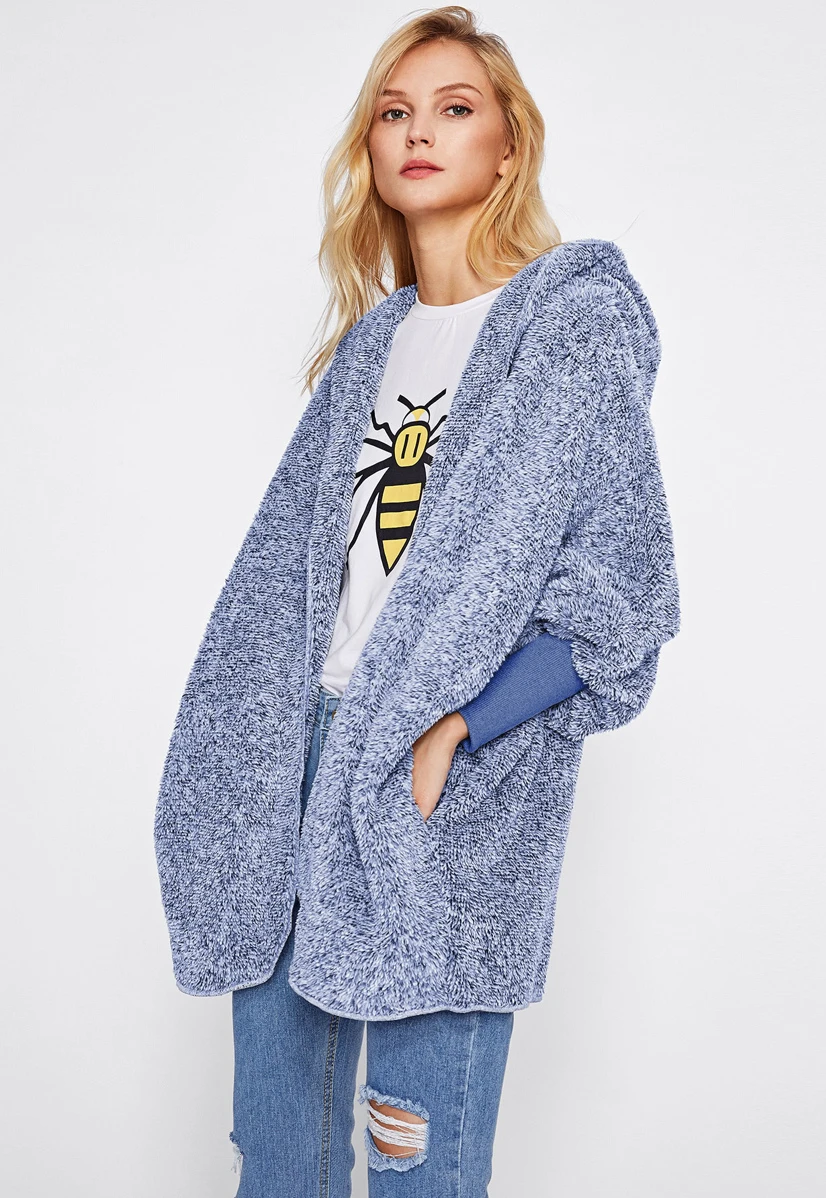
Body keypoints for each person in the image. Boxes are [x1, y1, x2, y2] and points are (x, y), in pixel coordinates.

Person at [154, 7, 681, 1196]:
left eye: (455, 108)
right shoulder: (372, 345)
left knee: (417, 1161)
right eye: (394, 112)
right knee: (276, 1154)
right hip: (296, 770)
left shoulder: (569, 329)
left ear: (508, 148)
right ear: (372, 150)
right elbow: (287, 587)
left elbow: (622, 593)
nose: (419, 132)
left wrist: (457, 728)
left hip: (440, 779)